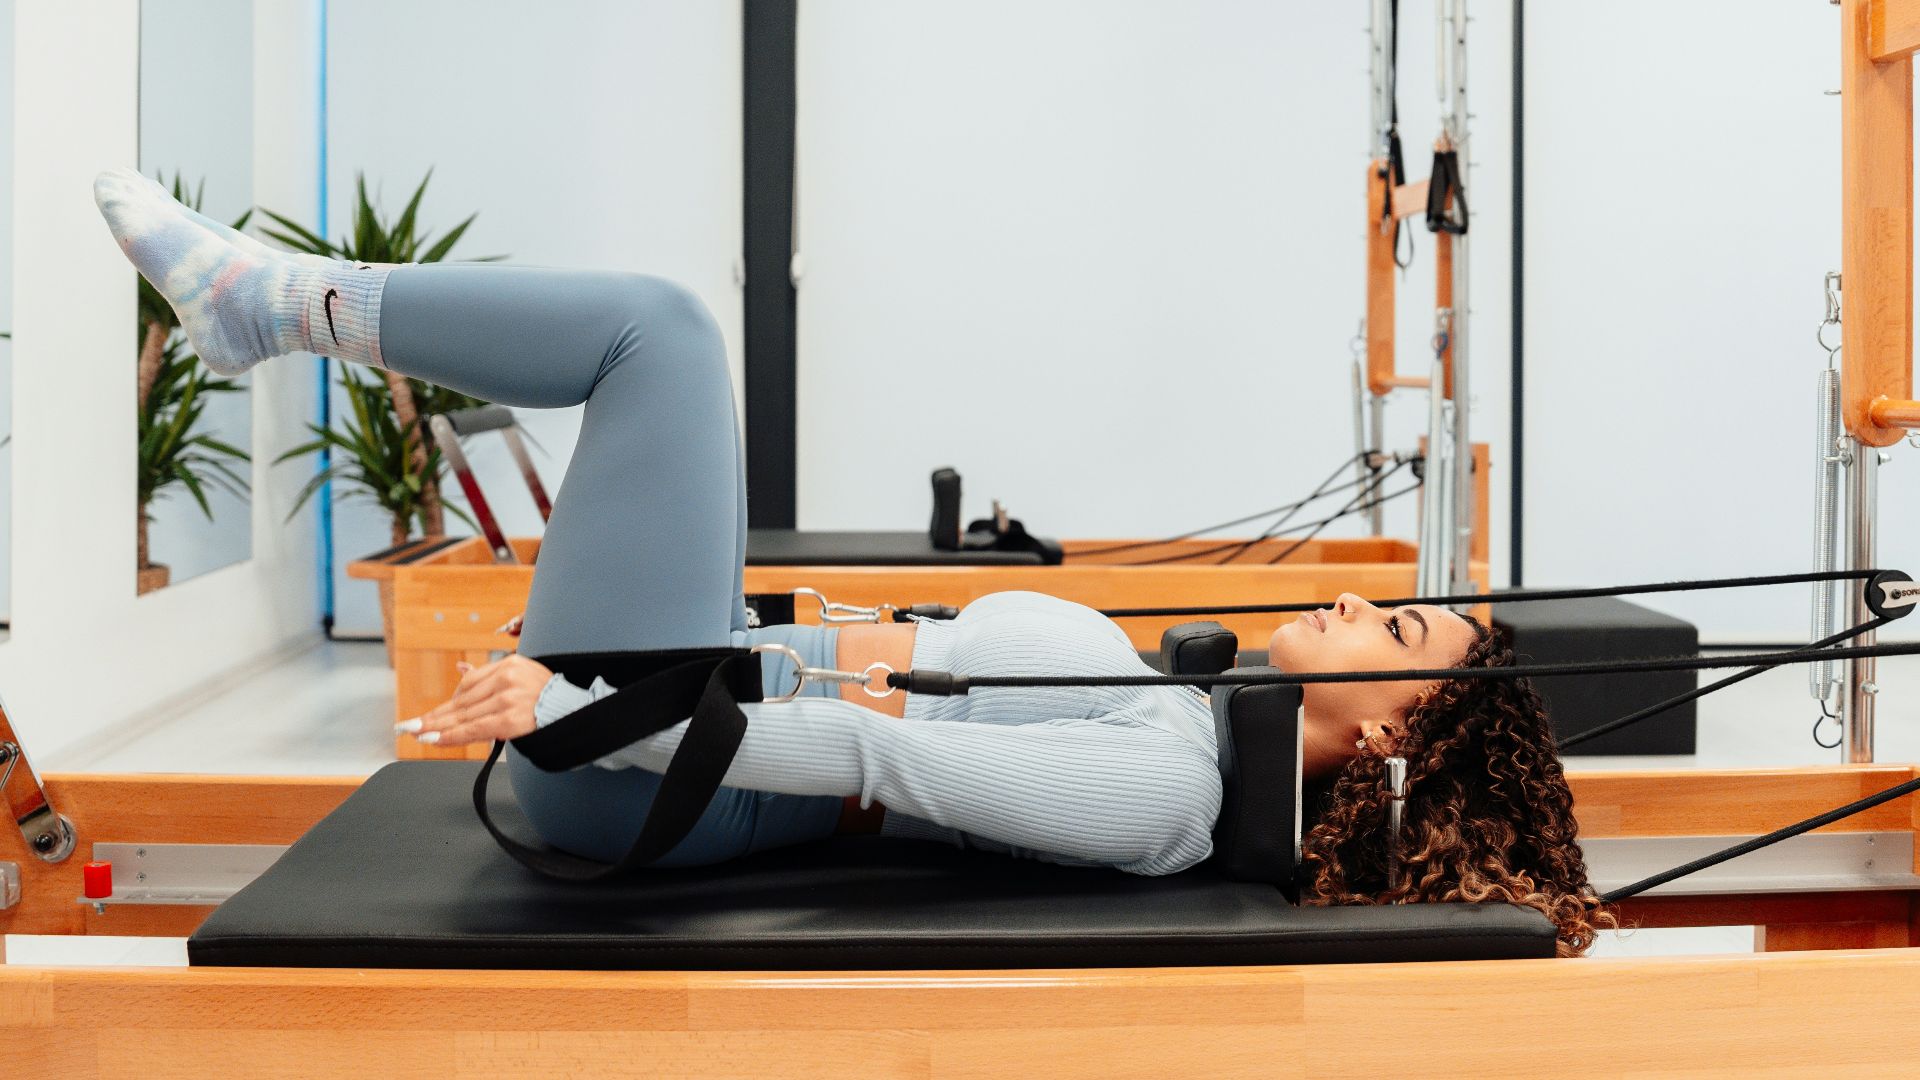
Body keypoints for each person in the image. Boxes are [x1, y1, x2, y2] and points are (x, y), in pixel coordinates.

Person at [95, 167, 1613, 955]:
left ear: (1403, 721)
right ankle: (272, 308)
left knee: (663, 337)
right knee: (667, 342)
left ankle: (268, 305)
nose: (1357, 597)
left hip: (666, 764)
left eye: (1396, 620)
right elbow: (909, 684)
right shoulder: (1195, 726)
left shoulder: (1171, 791)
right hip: (697, 718)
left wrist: (592, 718)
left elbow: (888, 768)